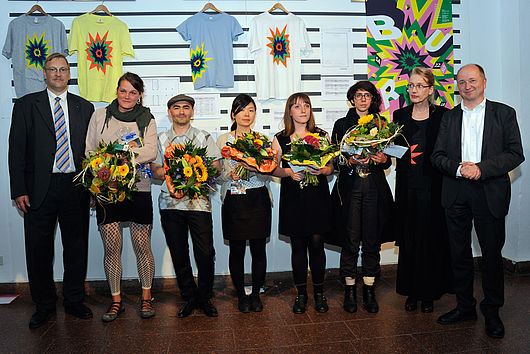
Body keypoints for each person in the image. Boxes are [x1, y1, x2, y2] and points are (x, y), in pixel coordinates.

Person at [431, 64, 524, 339]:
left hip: (489, 191)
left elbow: (515, 154)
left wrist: (481, 168)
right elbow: (436, 156)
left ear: (484, 81)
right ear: (457, 87)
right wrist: (460, 169)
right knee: (458, 255)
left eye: (472, 80)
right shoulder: (449, 118)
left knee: (492, 256)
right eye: (461, 82)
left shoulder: (504, 113)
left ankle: (492, 312)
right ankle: (465, 307)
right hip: (456, 191)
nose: (467, 85)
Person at [8, 53, 94, 328]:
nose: (58, 73)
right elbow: (16, 150)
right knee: (38, 249)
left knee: (76, 247)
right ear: (44, 74)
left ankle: (74, 300)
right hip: (37, 189)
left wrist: (93, 186)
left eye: (63, 69)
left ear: (70, 74)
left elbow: (91, 152)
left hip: (75, 186)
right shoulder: (25, 105)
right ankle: (44, 305)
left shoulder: (85, 107)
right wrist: (18, 189)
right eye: (52, 69)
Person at [85, 72, 158, 322]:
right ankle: (116, 301)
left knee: (142, 246)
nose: (127, 96)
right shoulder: (99, 115)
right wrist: (101, 177)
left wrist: (117, 157)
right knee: (112, 248)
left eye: (133, 92)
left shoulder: (147, 118)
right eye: (123, 90)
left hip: (139, 188)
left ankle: (146, 297)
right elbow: (90, 151)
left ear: (140, 96)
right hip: (107, 189)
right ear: (116, 90)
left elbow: (151, 151)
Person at [151, 94, 222, 318]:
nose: (181, 112)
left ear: (192, 112)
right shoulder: (161, 139)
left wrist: (195, 167)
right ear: (170, 111)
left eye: (186, 108)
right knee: (179, 252)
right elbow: (155, 172)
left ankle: (204, 296)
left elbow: (217, 169)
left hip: (198, 203)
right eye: (176, 108)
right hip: (170, 204)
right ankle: (189, 296)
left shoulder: (203, 137)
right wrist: (180, 168)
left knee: (205, 252)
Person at [330, 81, 393, 314]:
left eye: (367, 95)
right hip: (350, 187)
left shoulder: (382, 123)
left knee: (371, 239)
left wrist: (383, 159)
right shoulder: (341, 124)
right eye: (359, 95)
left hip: (374, 188)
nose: (363, 99)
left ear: (372, 99)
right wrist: (350, 160)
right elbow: (335, 159)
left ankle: (369, 289)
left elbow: (389, 156)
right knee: (350, 238)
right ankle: (349, 289)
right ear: (352, 99)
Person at [393, 67, 453, 313]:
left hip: (435, 185)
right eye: (411, 85)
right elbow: (394, 150)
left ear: (430, 89)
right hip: (407, 185)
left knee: (431, 238)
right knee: (409, 238)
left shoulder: (443, 115)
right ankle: (411, 292)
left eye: (419, 86)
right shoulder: (399, 115)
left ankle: (429, 293)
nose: (414, 90)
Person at [272, 92, 334, 314]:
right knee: (298, 247)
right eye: (297, 106)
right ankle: (301, 295)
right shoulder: (280, 138)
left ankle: (319, 293)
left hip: (317, 196)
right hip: (294, 197)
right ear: (290, 111)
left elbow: (331, 167)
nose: (303, 110)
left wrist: (323, 169)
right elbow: (272, 167)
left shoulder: (322, 135)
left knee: (317, 244)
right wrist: (288, 172)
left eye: (306, 105)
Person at [216, 94, 272, 313]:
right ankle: (241, 295)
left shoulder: (262, 140)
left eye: (251, 110)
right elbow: (216, 175)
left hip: (258, 198)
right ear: (233, 114)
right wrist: (231, 174)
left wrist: (256, 168)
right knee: (237, 250)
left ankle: (256, 294)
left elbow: (269, 175)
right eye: (242, 110)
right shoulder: (223, 140)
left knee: (259, 250)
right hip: (234, 198)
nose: (246, 114)